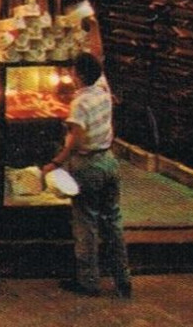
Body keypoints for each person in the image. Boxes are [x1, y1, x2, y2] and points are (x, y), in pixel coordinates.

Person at [46, 51, 132, 299]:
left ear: (80, 75)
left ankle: (89, 281)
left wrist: (56, 162)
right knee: (113, 221)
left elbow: (76, 138)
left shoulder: (80, 104)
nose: (70, 75)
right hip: (109, 161)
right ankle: (123, 279)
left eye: (73, 71)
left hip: (88, 165)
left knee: (86, 223)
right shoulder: (103, 91)